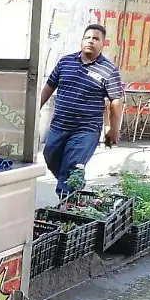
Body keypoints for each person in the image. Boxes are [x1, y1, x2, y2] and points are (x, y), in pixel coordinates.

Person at [40, 24, 123, 195]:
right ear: (82, 40)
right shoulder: (65, 62)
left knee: (72, 166)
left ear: (103, 44)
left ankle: (67, 202)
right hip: (59, 126)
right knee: (50, 157)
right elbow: (49, 87)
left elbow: (115, 101)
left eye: (96, 39)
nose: (91, 41)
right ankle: (74, 187)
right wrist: (36, 109)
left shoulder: (109, 69)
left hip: (86, 130)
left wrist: (114, 129)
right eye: (88, 38)